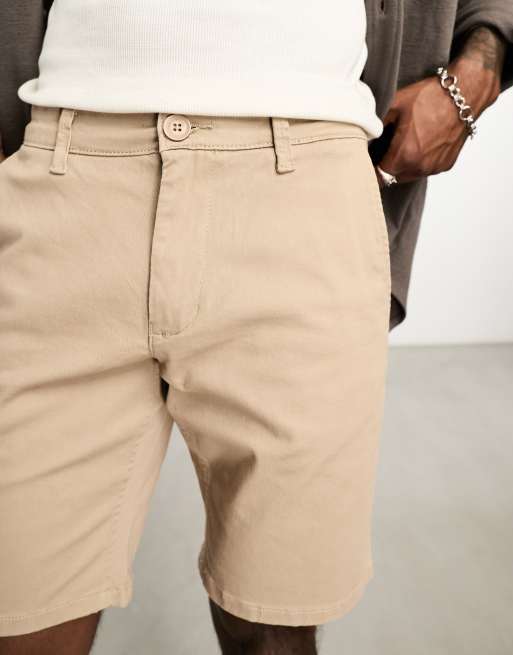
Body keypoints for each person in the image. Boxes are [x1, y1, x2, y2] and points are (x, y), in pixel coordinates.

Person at [0, 3, 511, 655]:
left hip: (304, 178)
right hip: (64, 178)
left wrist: (479, 64)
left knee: (275, 617)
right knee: (23, 608)